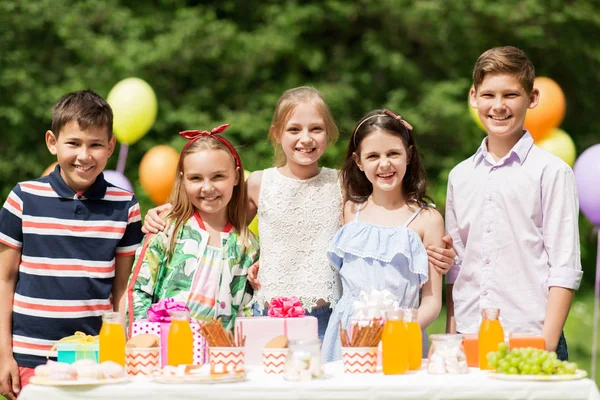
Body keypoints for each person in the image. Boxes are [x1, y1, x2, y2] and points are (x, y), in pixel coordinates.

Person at [142, 87, 456, 339]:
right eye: (294, 129)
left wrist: (440, 254)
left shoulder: (342, 186)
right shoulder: (259, 183)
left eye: (315, 129)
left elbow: (384, 218)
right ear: (277, 132)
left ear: (329, 134)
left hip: (325, 318)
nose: (305, 138)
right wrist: (171, 210)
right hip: (267, 315)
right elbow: (215, 204)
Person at [0, 90, 143, 399]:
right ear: (52, 142)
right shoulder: (23, 197)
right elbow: (4, 279)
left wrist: (121, 350)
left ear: (111, 147)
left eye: (95, 144)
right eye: (74, 143)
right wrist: (3, 355)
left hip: (96, 359)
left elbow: (122, 290)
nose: (84, 155)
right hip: (30, 358)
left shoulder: (125, 206)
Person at [445, 46, 582, 361]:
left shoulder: (552, 172)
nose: (498, 106)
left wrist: (545, 346)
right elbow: (458, 268)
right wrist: (453, 334)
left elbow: (564, 267)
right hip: (469, 339)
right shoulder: (459, 176)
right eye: (489, 95)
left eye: (510, 95)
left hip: (531, 339)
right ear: (473, 97)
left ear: (532, 98)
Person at [321, 109, 444, 361]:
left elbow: (432, 302)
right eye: (373, 156)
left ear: (408, 155)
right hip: (348, 337)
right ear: (358, 161)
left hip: (400, 337)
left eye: (393, 153)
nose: (384, 164)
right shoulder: (349, 210)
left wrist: (397, 332)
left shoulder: (427, 220)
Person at [126, 125, 259, 333]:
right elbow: (138, 291)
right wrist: (143, 345)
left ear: (235, 176)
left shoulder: (247, 246)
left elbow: (247, 311)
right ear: (183, 179)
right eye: (196, 178)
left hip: (219, 359)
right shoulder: (166, 228)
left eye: (218, 177)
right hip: (163, 353)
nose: (207, 188)